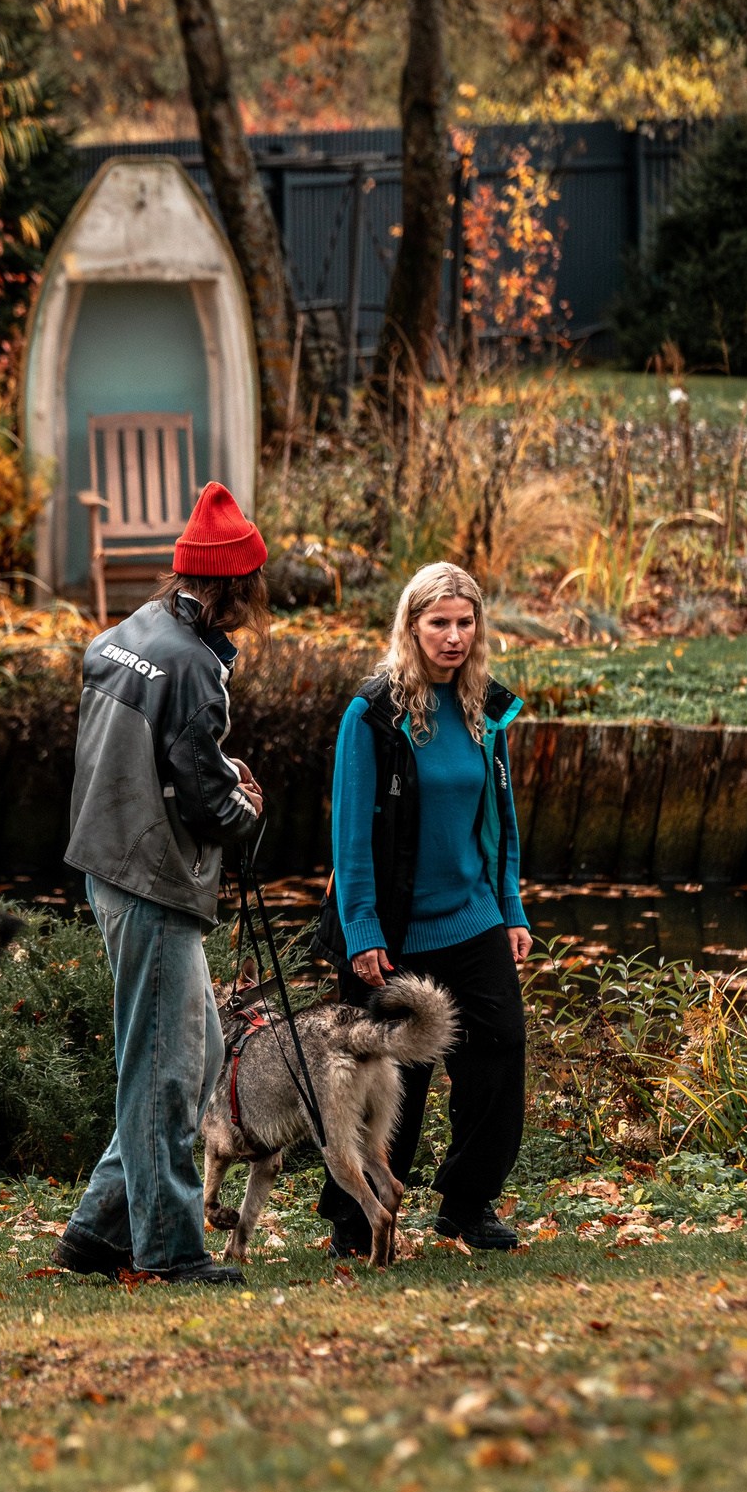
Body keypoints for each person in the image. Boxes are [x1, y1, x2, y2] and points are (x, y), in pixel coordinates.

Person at [53, 480, 269, 1286]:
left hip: (109, 863)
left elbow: (173, 760)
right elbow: (207, 797)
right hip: (151, 878)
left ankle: (94, 1234)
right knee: (169, 1071)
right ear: (235, 585)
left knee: (196, 1051)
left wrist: (215, 771)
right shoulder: (194, 666)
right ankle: (173, 1251)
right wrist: (247, 813)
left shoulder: (128, 634)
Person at [314, 561, 531, 1256]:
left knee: (499, 1056)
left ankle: (467, 1205)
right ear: (411, 626)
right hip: (395, 932)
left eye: (465, 623)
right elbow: (349, 836)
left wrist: (513, 908)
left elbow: (498, 821)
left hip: (474, 921)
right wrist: (363, 929)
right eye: (439, 622)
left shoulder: (484, 709)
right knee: (389, 1083)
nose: (454, 636)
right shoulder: (373, 714)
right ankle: (358, 1219)